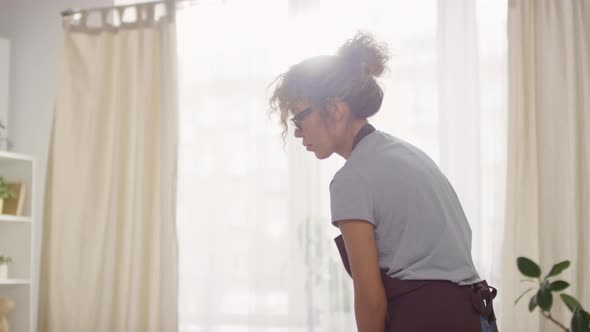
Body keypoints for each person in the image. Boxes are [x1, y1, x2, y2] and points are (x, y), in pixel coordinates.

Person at [269, 32, 498, 332]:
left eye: (299, 118)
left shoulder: (351, 180)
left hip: (429, 321)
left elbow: (370, 299)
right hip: (476, 318)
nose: (297, 133)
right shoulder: (406, 155)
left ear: (335, 110)